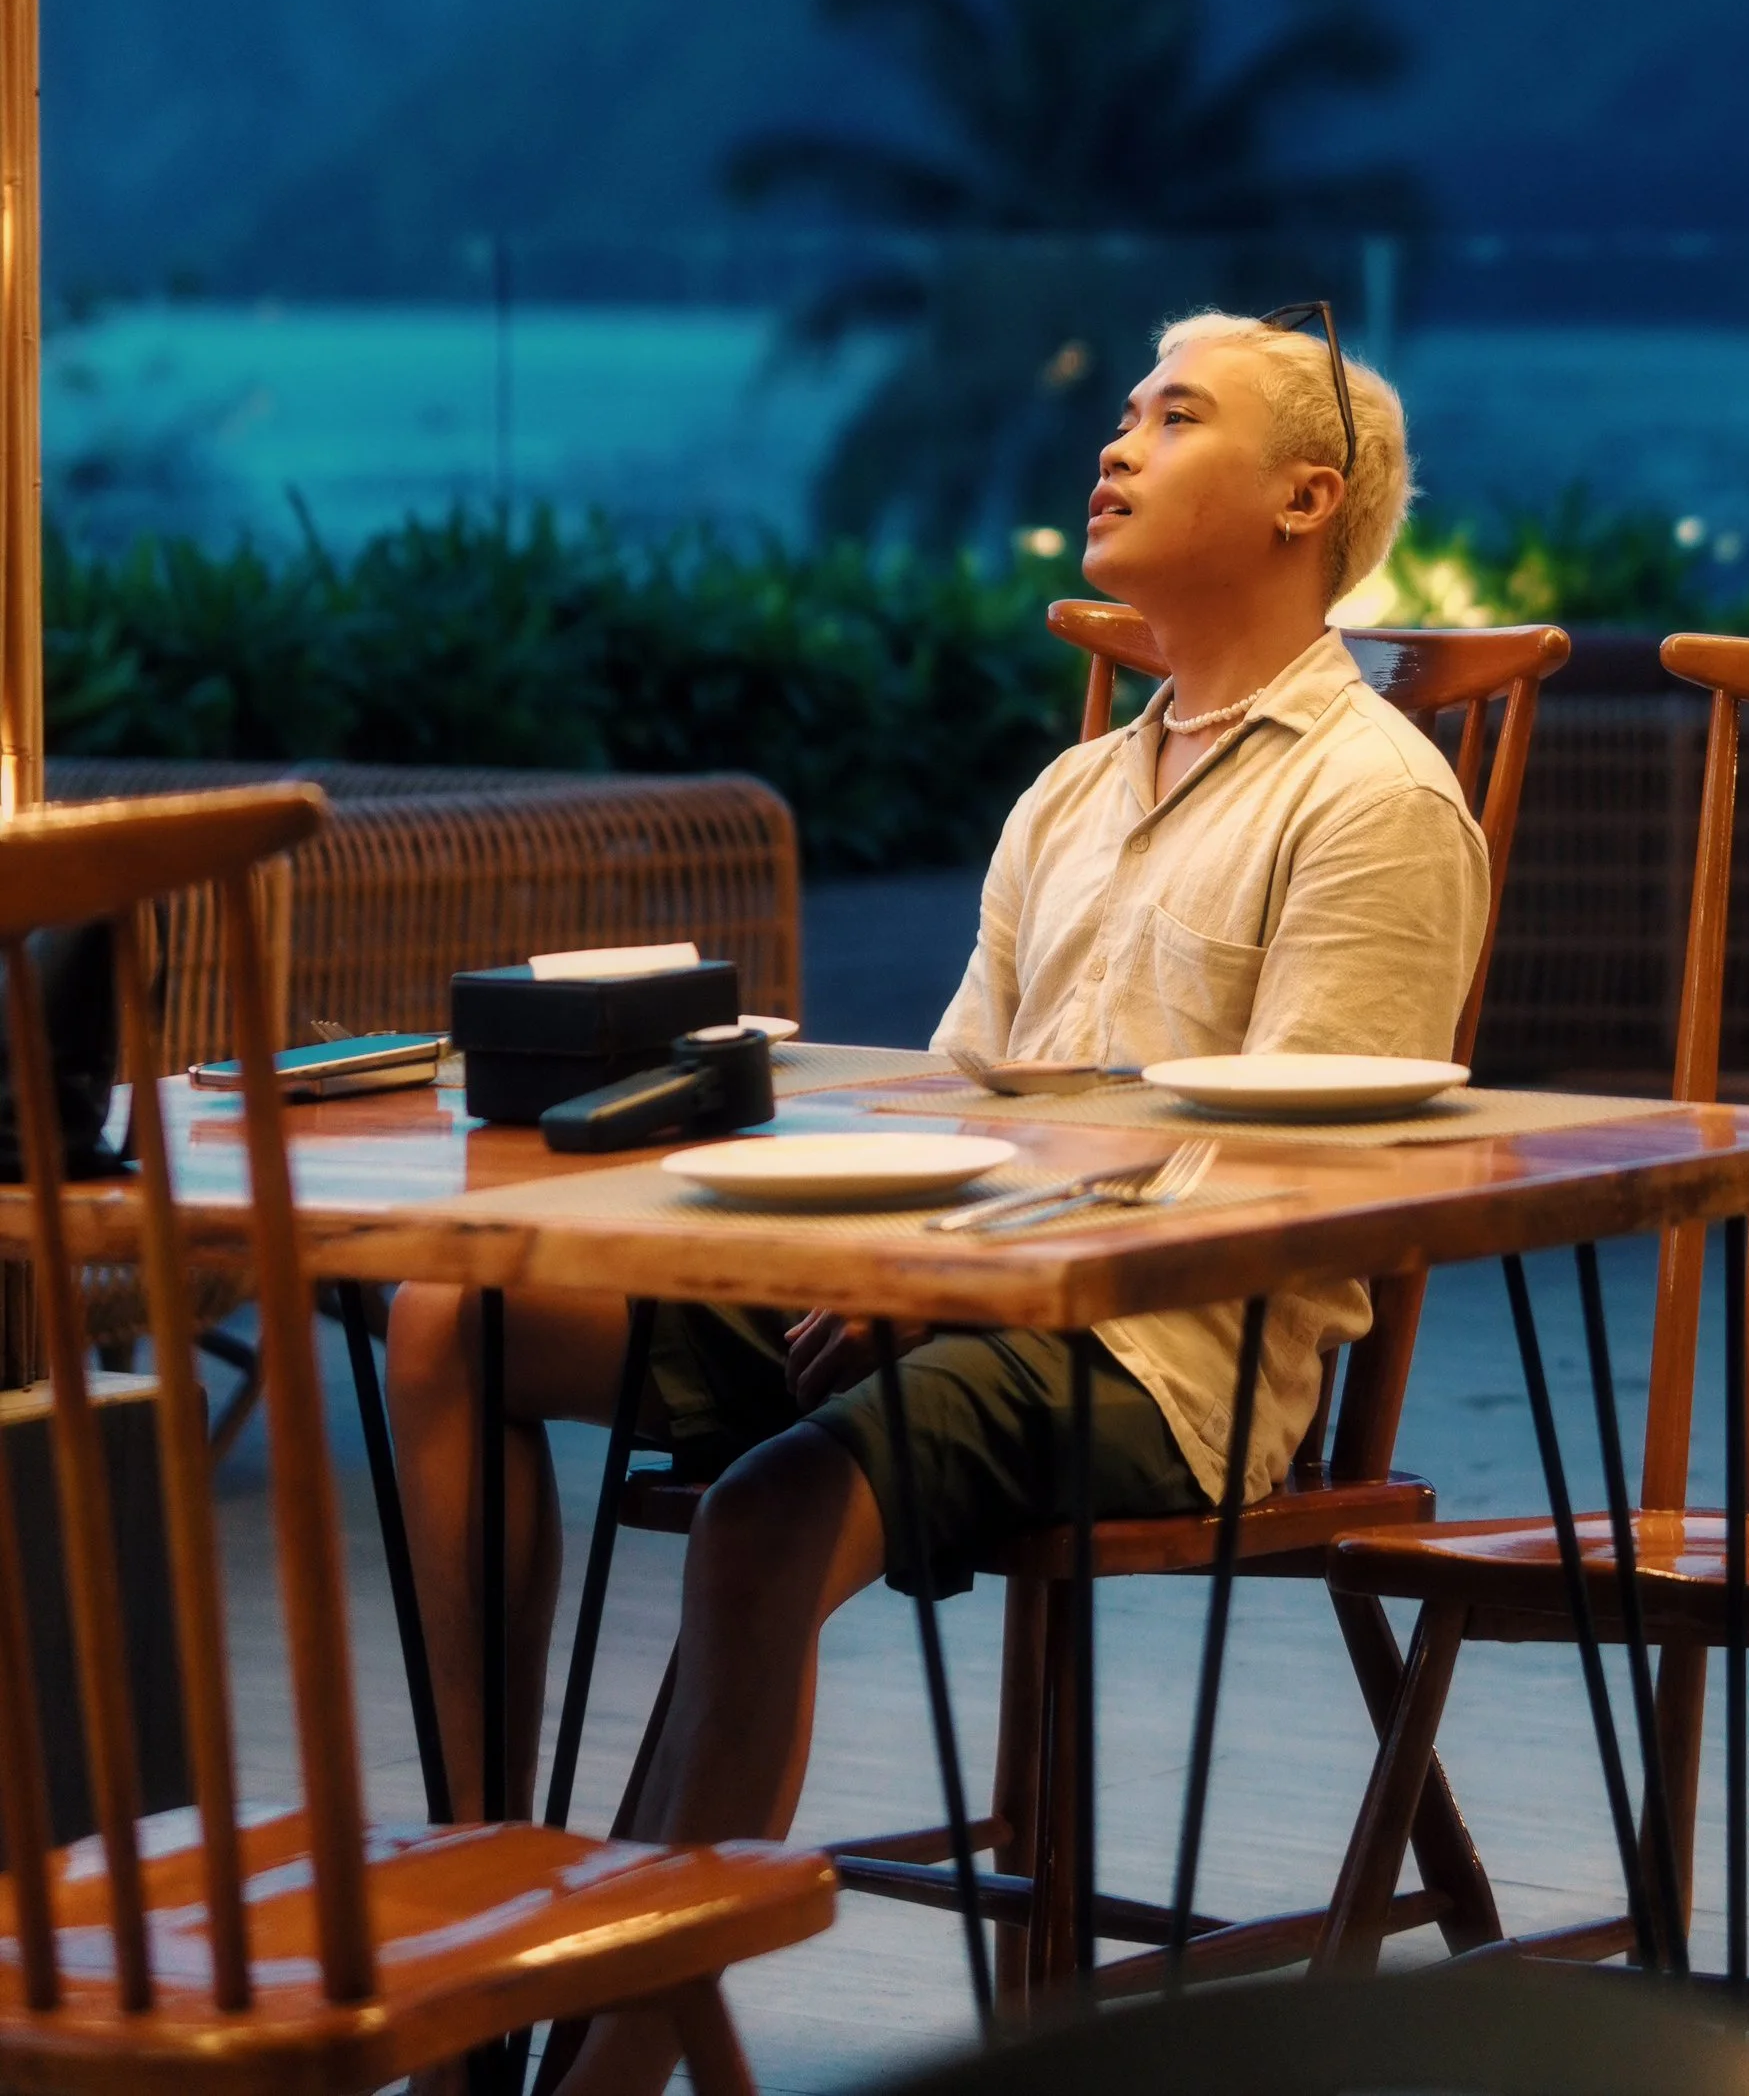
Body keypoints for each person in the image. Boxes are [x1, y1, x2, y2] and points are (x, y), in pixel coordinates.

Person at [386, 307, 1485, 2096]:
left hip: (1168, 1354)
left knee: (764, 1516)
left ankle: (607, 2075)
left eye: (1173, 412)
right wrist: (861, 1238)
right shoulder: (1070, 791)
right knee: (461, 1315)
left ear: (1310, 493)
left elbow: (1298, 1182)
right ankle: (486, 1948)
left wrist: (964, 1272)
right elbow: (949, 1102)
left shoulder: (1374, 800)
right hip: (952, 1285)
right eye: (1124, 408)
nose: (1116, 440)